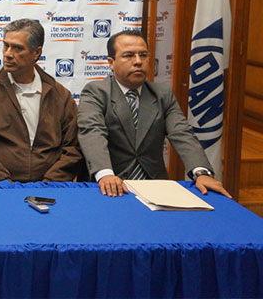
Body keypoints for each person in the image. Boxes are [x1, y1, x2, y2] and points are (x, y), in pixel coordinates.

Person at [77, 30, 232, 198]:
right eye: (129, 55)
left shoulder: (162, 94)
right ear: (111, 63)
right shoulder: (96, 92)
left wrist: (201, 172)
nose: (138, 61)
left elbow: (182, 132)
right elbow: (93, 132)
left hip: (154, 186)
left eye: (143, 55)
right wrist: (105, 174)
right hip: (109, 185)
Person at [0, 18, 83, 183]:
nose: (8, 54)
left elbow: (72, 149)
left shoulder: (60, 95)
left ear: (36, 53)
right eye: (6, 46)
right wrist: (5, 184)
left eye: (17, 48)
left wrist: (49, 184)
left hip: (50, 189)